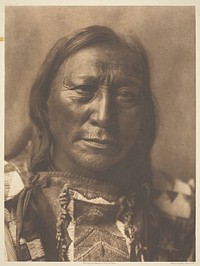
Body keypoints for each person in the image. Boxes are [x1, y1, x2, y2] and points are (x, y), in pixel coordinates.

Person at [4, 25, 195, 261]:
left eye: (126, 94)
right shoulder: (9, 206)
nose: (104, 117)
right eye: (84, 89)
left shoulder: (185, 210)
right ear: (45, 104)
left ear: (144, 112)